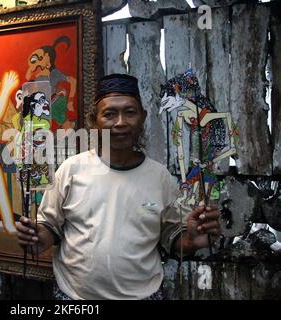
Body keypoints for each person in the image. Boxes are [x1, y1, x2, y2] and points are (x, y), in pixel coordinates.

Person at [16, 74, 221, 300]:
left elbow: (173, 239)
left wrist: (192, 241)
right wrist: (37, 238)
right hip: (74, 298)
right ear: (95, 121)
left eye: (130, 112)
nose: (121, 122)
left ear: (142, 118)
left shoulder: (160, 178)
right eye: (110, 114)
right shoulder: (71, 170)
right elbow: (50, 227)